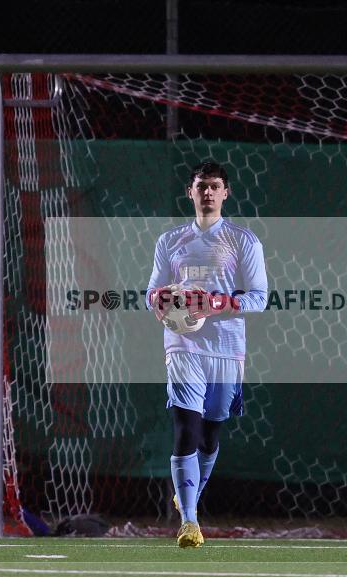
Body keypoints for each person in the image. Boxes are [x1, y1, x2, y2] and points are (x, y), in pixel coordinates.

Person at [145, 161, 268, 548]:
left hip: (227, 349)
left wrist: (215, 302)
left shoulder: (243, 241)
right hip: (183, 348)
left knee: (210, 435)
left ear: (226, 192)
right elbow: (152, 293)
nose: (208, 193)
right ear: (191, 192)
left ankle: (188, 497)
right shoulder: (170, 242)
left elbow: (260, 299)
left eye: (215, 186)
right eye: (202, 186)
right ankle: (190, 523)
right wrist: (161, 300)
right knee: (187, 428)